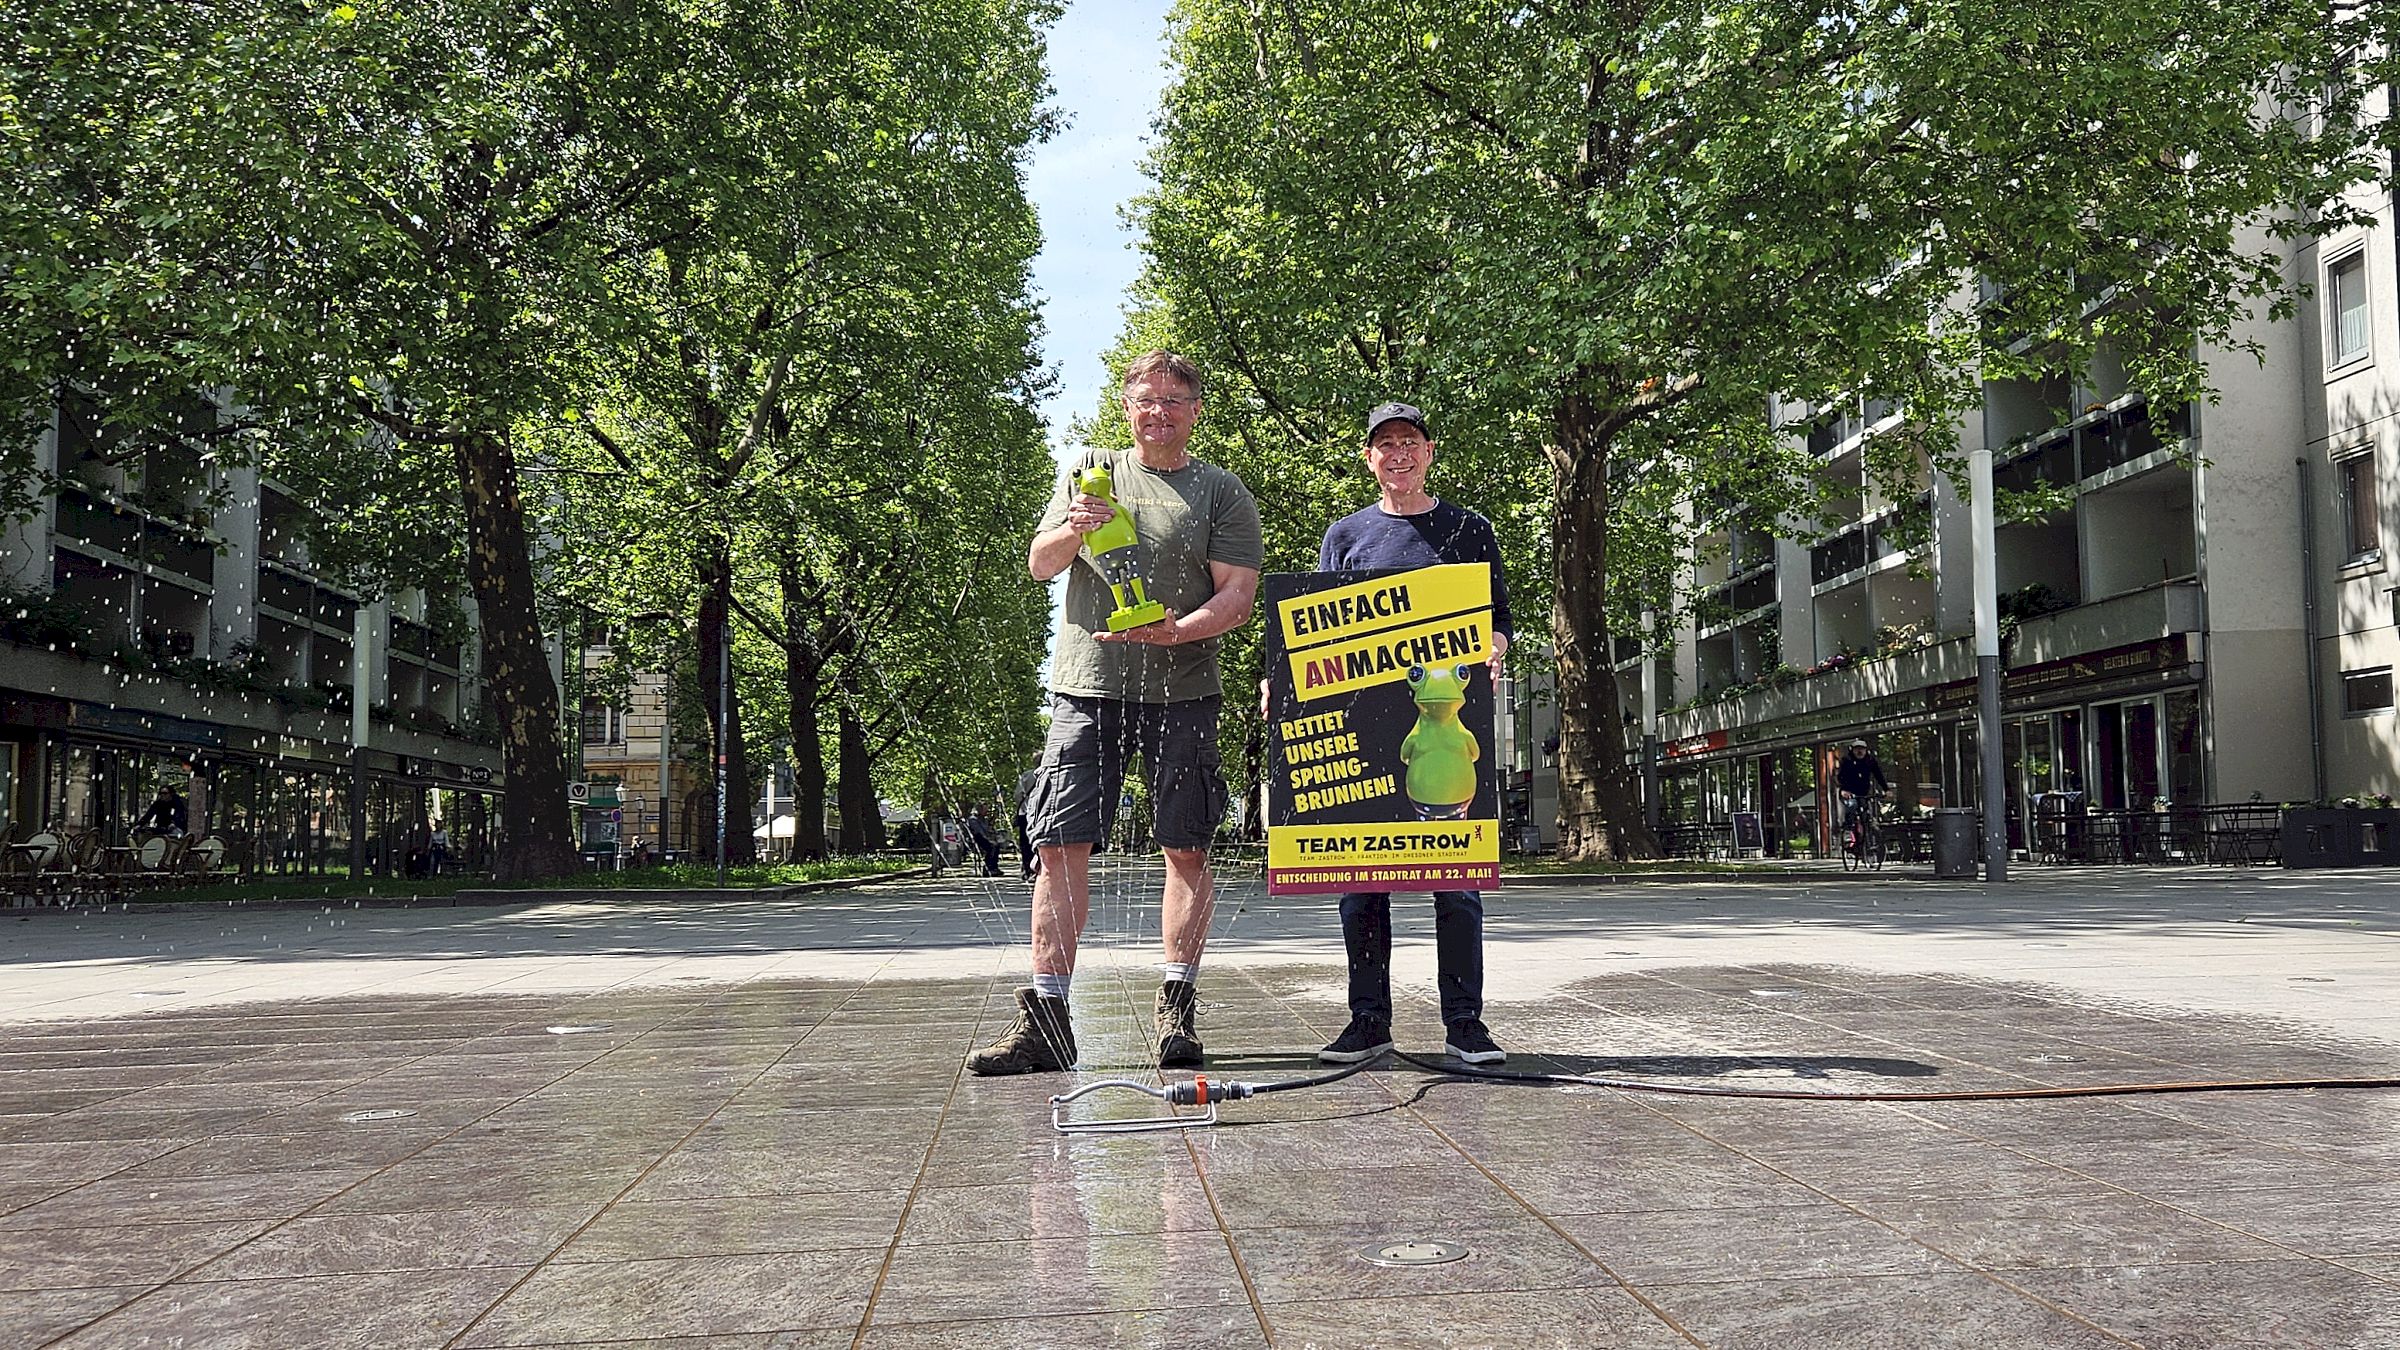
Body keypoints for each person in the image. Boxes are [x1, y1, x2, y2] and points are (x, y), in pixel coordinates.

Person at [968, 350, 1263, 1077]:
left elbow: (1238, 597)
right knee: (1058, 846)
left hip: (1184, 689)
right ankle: (1044, 1021)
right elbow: (1040, 563)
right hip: (1085, 686)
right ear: (1125, 407)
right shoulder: (1089, 469)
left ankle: (1176, 1009)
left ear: (1194, 411)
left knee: (1186, 846)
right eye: (1144, 398)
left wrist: (1178, 630)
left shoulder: (1222, 493)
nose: (1157, 410)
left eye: (1172, 399)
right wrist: (1073, 526)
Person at [1313, 401, 1515, 1067]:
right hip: (1367, 726)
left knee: (1456, 885)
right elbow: (1318, 635)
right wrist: (1283, 688)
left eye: (1409, 442)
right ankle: (1368, 1023)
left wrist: (1494, 645)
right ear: (1368, 459)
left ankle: (1466, 1026)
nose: (1397, 454)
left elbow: (1499, 619)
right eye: (1384, 445)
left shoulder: (1470, 530)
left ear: (1429, 452)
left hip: (1451, 721)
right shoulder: (1345, 537)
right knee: (1361, 880)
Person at [1835, 739, 1890, 847]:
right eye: (1857, 749)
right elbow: (1840, 777)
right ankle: (1847, 830)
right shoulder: (1847, 761)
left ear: (1866, 750)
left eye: (1862, 749)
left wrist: (1886, 789)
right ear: (1853, 750)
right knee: (1852, 805)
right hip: (1849, 792)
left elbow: (1878, 775)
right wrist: (1844, 790)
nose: (1859, 752)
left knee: (1866, 814)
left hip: (1863, 793)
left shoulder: (1870, 761)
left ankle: (1867, 840)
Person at [1012, 767, 1040, 880]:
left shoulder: (1026, 775)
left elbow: (1018, 794)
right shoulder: (1050, 773)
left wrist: (1022, 804)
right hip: (1042, 813)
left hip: (1025, 812)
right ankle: (1039, 868)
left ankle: (1027, 869)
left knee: (1025, 842)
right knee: (1041, 841)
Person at [966, 805, 1004, 877]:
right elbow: (979, 832)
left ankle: (993, 867)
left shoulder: (984, 819)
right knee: (992, 847)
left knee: (996, 845)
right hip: (976, 840)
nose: (986, 812)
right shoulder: (973, 819)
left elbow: (987, 830)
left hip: (984, 839)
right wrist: (988, 839)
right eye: (985, 810)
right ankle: (987, 869)